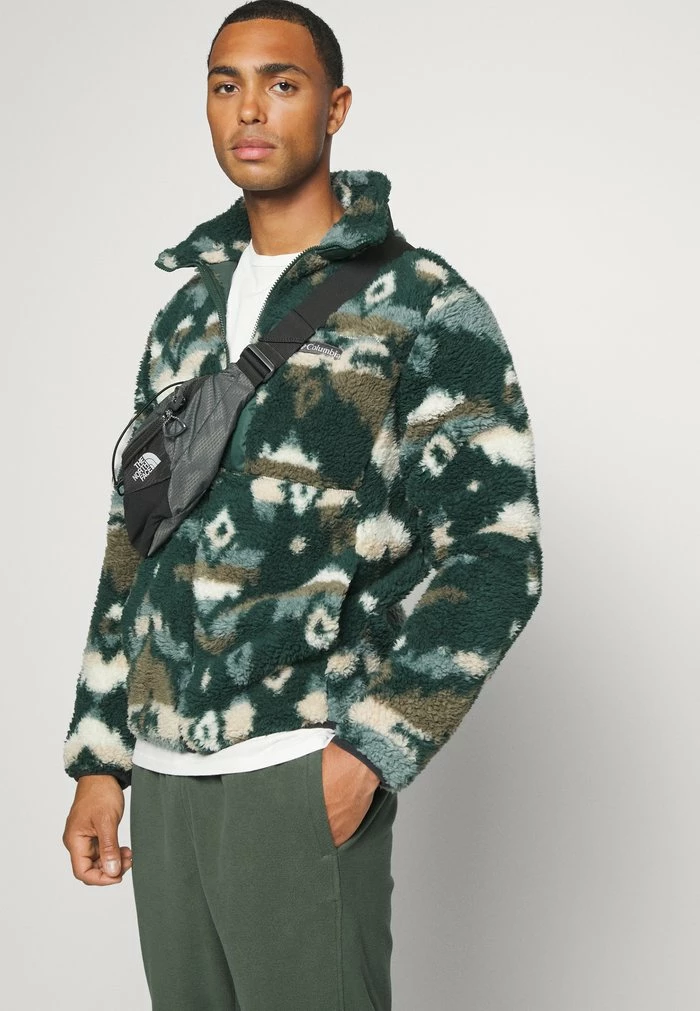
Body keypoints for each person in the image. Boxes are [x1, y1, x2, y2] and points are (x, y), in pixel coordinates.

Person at [61, 2, 544, 1008]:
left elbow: (498, 553)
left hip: (299, 763)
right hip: (165, 772)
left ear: (335, 106)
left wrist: (373, 749)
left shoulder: (421, 300)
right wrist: (100, 757)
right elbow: (135, 538)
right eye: (225, 84)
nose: (250, 109)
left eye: (281, 83)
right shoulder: (186, 312)